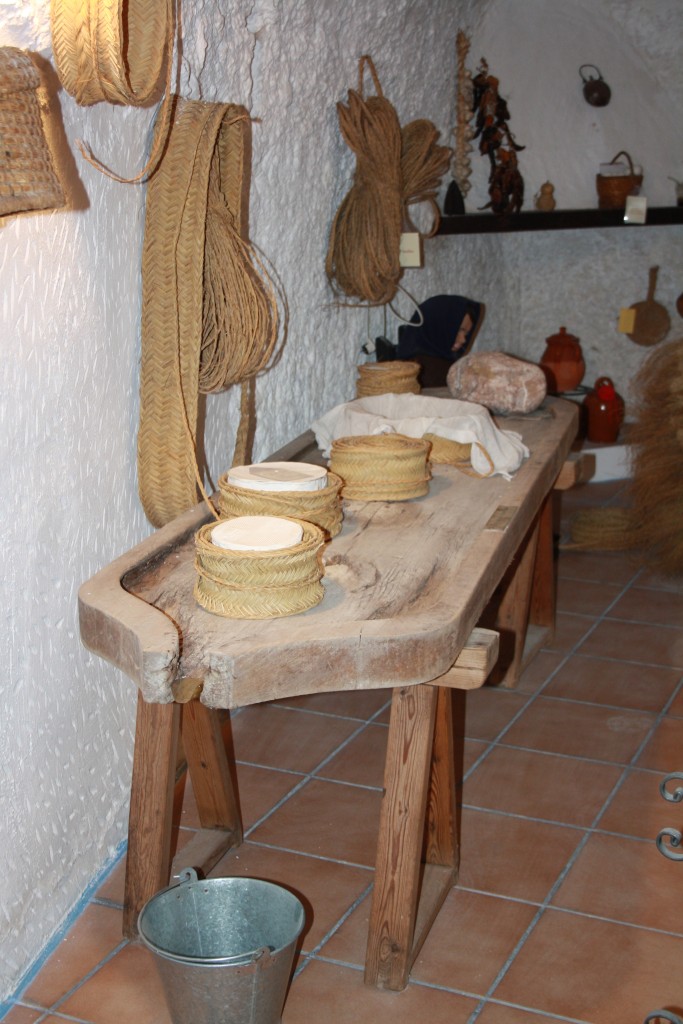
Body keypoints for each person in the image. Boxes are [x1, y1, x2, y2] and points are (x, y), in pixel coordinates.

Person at [377, 294, 484, 387]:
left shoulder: (446, 364)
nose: (464, 340)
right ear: (438, 326)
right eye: (459, 330)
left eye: (466, 334)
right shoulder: (425, 372)